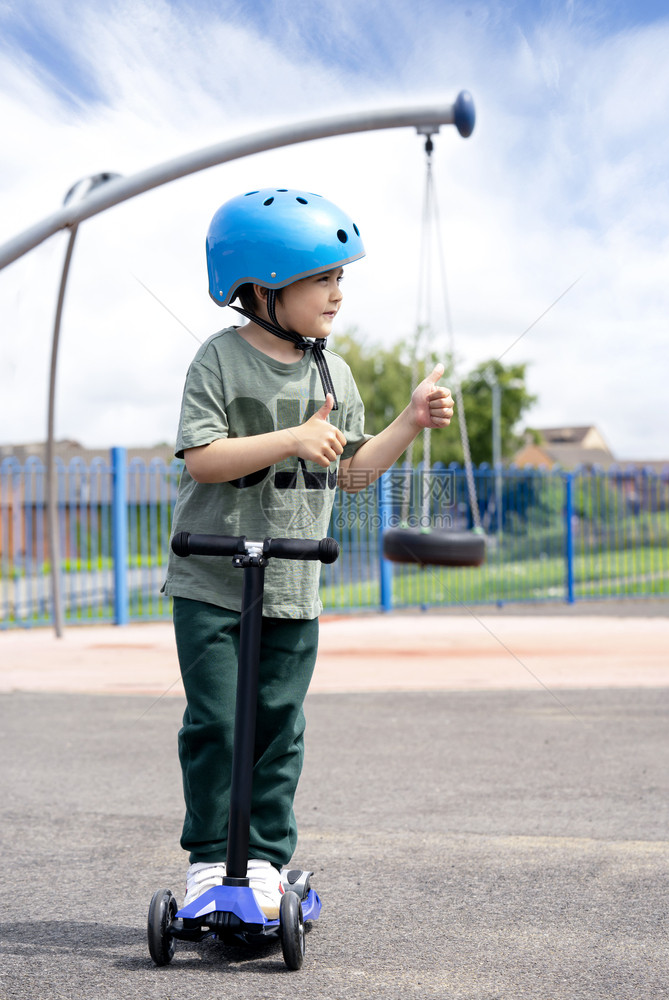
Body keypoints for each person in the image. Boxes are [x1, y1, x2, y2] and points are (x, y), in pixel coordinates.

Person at [162, 187, 454, 917]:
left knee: (277, 728)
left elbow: (352, 472)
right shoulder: (219, 360)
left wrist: (409, 422)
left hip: (292, 583)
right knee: (217, 724)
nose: (336, 292)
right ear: (263, 286)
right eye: (321, 277)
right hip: (210, 580)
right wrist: (290, 437)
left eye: (339, 277)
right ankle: (208, 864)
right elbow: (202, 458)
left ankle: (260, 863)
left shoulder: (334, 372)